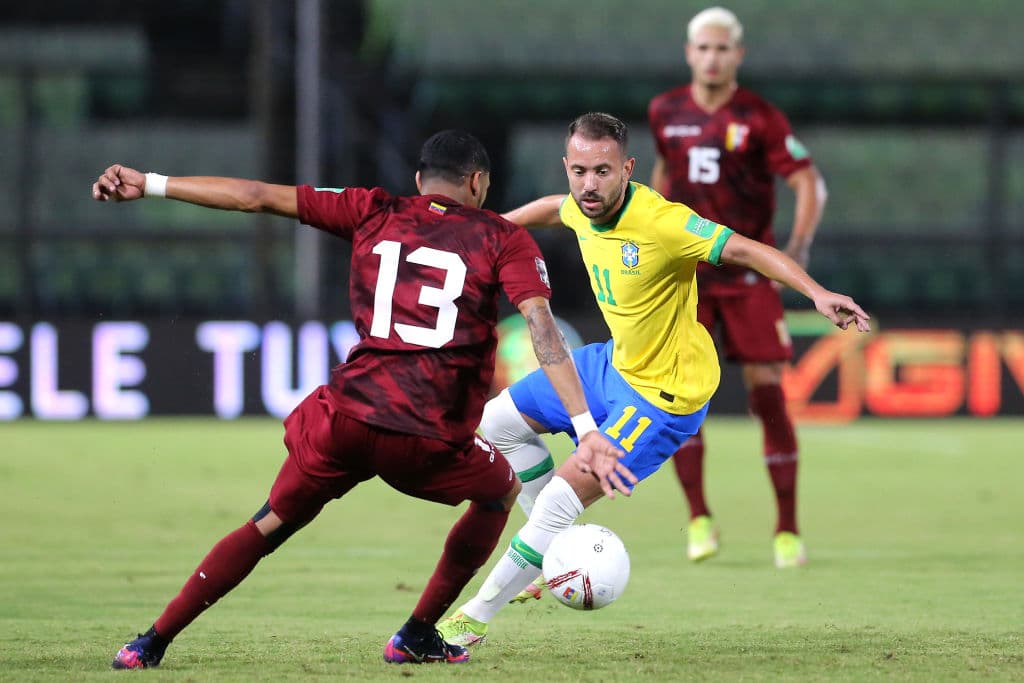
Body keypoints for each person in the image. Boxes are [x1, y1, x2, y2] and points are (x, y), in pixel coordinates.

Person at [91, 130, 633, 669]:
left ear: (420, 181)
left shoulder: (373, 210)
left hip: (346, 419)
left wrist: (153, 183)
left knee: (267, 526)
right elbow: (542, 327)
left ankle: (149, 643)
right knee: (499, 490)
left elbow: (254, 196)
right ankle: (417, 633)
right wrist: (586, 429)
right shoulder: (502, 239)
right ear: (478, 183)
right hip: (427, 436)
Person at [437, 112, 869, 646]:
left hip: (664, 396)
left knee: (554, 504)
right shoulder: (579, 203)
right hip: (612, 366)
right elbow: (557, 209)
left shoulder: (664, 222)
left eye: (602, 171)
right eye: (579, 171)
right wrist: (495, 227)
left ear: (628, 168)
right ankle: (552, 550)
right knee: (496, 423)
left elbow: (744, 248)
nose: (588, 185)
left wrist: (817, 292)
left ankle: (471, 621)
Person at [648, 6, 829, 567]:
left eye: (723, 48)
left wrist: (796, 250)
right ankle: (699, 518)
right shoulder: (665, 111)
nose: (712, 57)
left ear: (738, 55)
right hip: (690, 275)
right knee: (680, 393)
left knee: (767, 389)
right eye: (703, 47)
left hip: (748, 271)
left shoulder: (760, 117)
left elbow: (808, 183)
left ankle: (787, 530)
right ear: (689, 52)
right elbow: (662, 176)